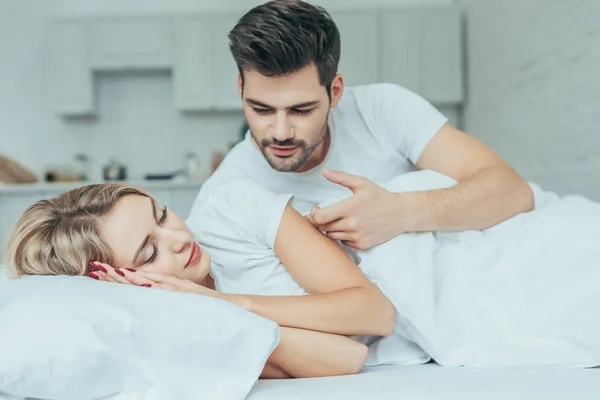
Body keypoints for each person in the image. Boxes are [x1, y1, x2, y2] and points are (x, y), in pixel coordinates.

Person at [4, 176, 600, 372]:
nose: (180, 239)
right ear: (121, 281)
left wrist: (226, 301)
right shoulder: (189, 333)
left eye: (161, 214)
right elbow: (348, 359)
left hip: (460, 255)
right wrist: (200, 308)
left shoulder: (232, 203)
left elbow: (373, 313)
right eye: (150, 252)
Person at [195, 0, 534, 253]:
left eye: (302, 109)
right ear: (241, 89)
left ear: (335, 92)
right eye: (261, 109)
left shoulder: (383, 109)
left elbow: (513, 192)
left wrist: (401, 211)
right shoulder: (224, 193)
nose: (281, 131)